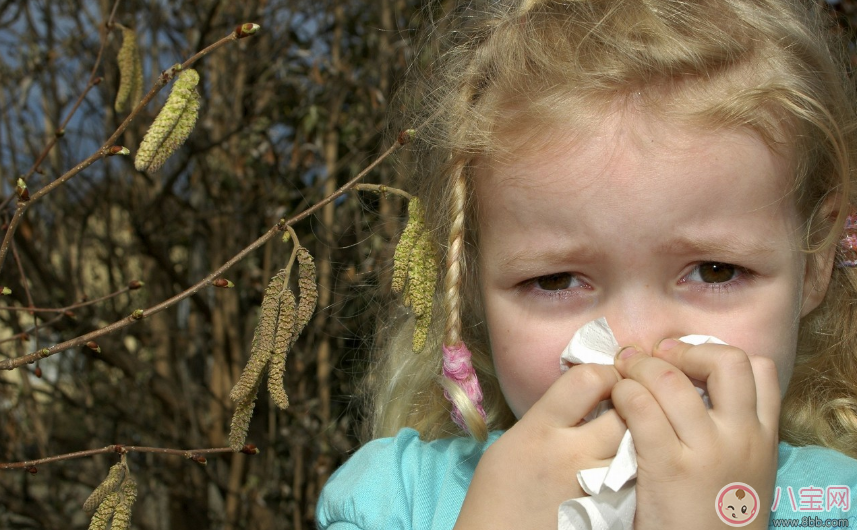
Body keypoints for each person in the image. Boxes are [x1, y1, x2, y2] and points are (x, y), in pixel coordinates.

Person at [317, 0, 857, 528]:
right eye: (555, 280)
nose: (633, 346)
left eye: (715, 271)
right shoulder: (394, 500)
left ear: (814, 263)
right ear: (472, 286)